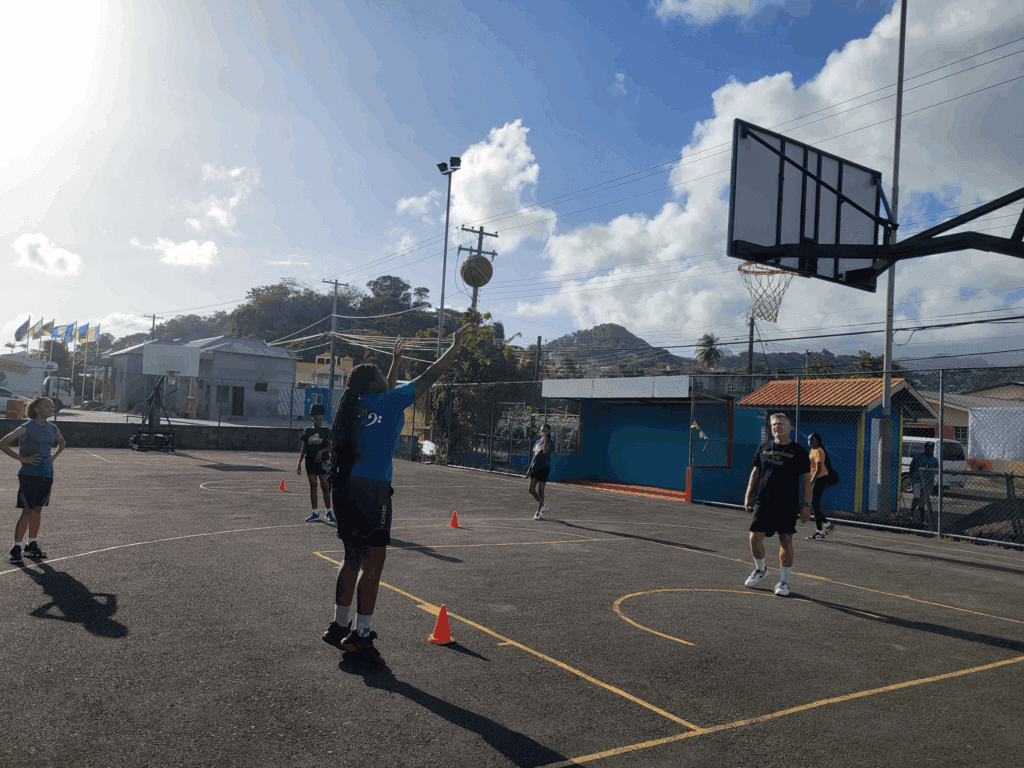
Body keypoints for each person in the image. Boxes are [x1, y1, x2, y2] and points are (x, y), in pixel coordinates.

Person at [321, 329, 469, 668]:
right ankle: (361, 636)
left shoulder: (355, 406)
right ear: (376, 385)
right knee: (373, 564)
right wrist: (453, 348)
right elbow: (429, 375)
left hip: (345, 487)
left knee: (351, 559)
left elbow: (386, 389)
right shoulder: (389, 402)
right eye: (381, 375)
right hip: (372, 491)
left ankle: (339, 626)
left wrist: (394, 361)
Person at [743, 413, 812, 597]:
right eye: (774, 424)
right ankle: (761, 569)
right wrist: (748, 495)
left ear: (790, 428)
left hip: (787, 503)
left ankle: (784, 582)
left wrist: (807, 504)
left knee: (786, 540)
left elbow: (806, 480)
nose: (777, 426)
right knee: (754, 538)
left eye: (781, 424)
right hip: (763, 500)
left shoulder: (799, 451)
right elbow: (755, 472)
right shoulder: (763, 447)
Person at [1, 397, 66, 564]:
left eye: (52, 406)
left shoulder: (53, 428)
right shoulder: (27, 427)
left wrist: (54, 456)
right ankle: (16, 547)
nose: (51, 408)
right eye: (47, 406)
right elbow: (3, 443)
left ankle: (31, 545)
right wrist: (21, 458)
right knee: (27, 511)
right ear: (37, 409)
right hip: (29, 475)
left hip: (47, 475)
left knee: (37, 510)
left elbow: (62, 442)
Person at [298, 403, 334, 523]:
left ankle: (328, 511)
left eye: (320, 419)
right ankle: (314, 512)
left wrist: (321, 451)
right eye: (317, 419)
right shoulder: (307, 431)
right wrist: (299, 463)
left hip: (323, 462)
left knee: (325, 486)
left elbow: (330, 446)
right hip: (310, 462)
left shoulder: (326, 431)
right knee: (313, 486)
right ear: (312, 419)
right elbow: (304, 448)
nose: (319, 421)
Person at [806, 433, 836, 541]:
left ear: (817, 441)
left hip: (820, 479)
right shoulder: (812, 451)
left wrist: (811, 482)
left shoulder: (819, 451)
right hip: (816, 479)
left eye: (812, 440)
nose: (809, 442)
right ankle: (827, 525)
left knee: (814, 504)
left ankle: (819, 531)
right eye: (808, 440)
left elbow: (818, 470)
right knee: (815, 505)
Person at [525, 424, 554, 520]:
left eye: (545, 431)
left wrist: (545, 440)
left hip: (544, 468)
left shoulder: (550, 442)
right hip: (535, 468)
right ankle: (543, 506)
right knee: (531, 489)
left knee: (541, 490)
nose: (543, 432)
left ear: (549, 432)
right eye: (542, 431)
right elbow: (534, 456)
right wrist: (529, 469)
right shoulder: (537, 442)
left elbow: (545, 451)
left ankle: (539, 511)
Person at [909, 442, 939, 528]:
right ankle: (911, 515)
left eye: (931, 447)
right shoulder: (918, 457)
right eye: (927, 447)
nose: (929, 449)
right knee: (916, 497)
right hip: (917, 481)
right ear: (925, 447)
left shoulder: (934, 460)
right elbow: (911, 467)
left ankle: (921, 519)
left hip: (928, 484)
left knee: (923, 502)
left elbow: (937, 470)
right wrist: (912, 477)